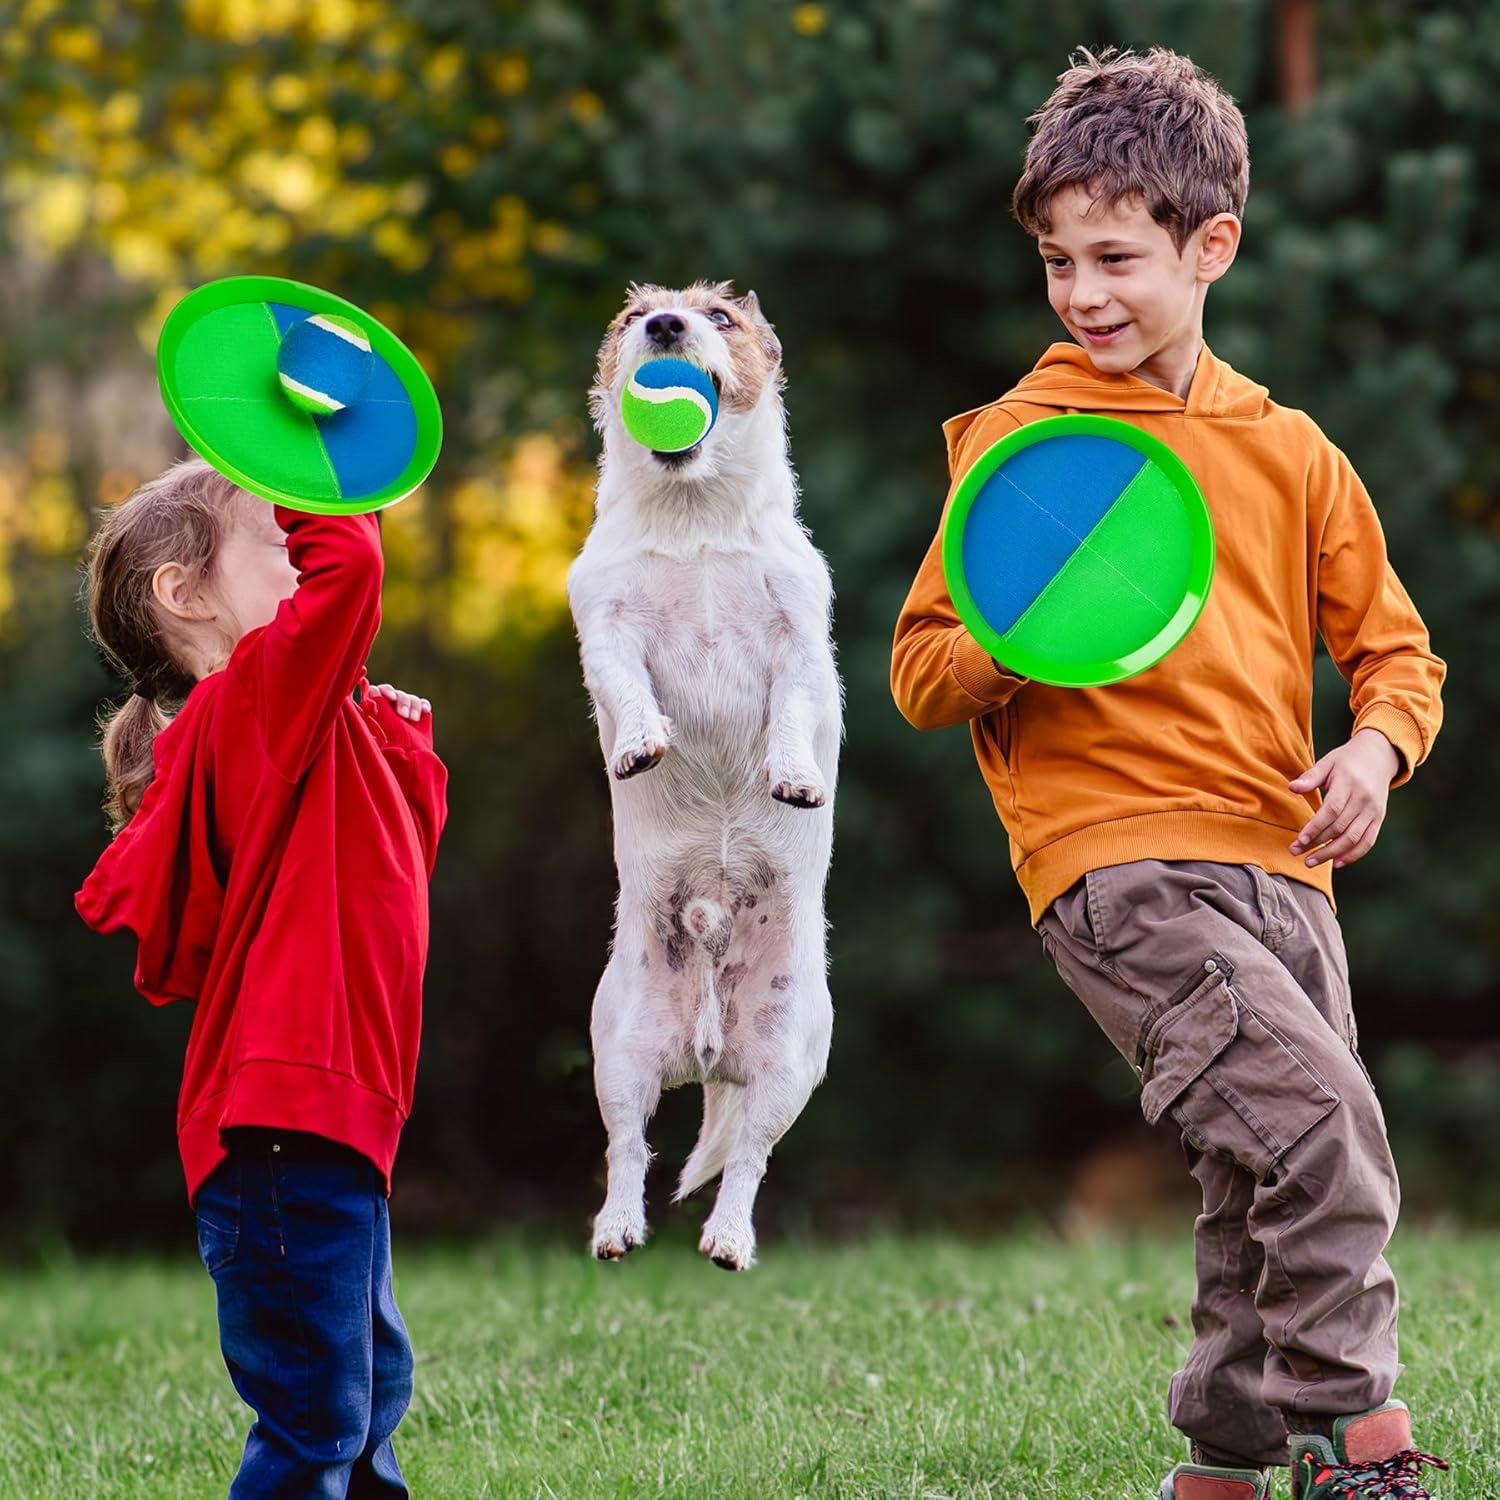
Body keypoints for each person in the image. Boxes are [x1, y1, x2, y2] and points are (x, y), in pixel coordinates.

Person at [890, 45, 1449, 1500]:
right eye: (1058, 263)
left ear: (1212, 248)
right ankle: (1359, 1444)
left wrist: (1375, 751)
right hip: (1117, 865)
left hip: (1288, 869)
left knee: (1255, 1176)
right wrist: (1020, 637)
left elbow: (1397, 655)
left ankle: (1220, 1471)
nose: (1082, 295)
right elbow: (922, 673)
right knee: (1325, 1130)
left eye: (1116, 259)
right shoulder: (1027, 446)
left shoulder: (1292, 453)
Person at [75, 456, 448, 1497]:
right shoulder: (248, 705)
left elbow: (398, 866)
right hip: (283, 1129)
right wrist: (311, 451)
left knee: (363, 1395)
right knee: (319, 1416)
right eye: (284, 529)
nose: (310, 537)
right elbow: (353, 571)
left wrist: (402, 746)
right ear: (185, 595)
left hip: (323, 1126)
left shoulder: (293, 720)